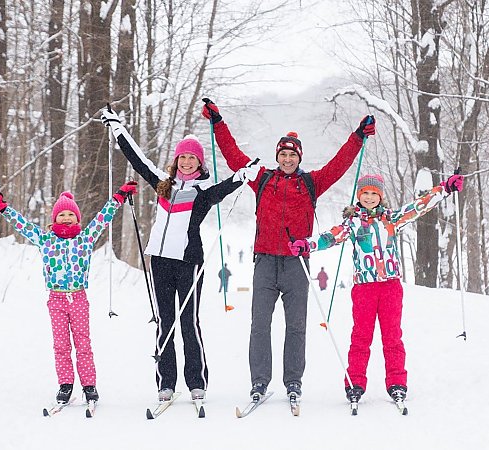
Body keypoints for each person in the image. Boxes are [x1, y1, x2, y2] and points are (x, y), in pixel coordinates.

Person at [202, 99, 376, 401]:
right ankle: (259, 381)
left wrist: (358, 136)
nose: (286, 159)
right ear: (277, 156)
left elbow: (339, 163)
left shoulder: (312, 183)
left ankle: (293, 381)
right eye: (282, 154)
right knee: (260, 325)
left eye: (291, 154)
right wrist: (218, 122)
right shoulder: (262, 178)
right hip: (266, 262)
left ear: (298, 157)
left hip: (297, 265)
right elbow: (233, 157)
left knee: (296, 327)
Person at [100, 108, 261, 403]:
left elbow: (225, 188)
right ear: (177, 161)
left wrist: (243, 176)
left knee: (189, 322)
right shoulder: (164, 183)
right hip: (160, 262)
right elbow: (139, 160)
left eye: (193, 158)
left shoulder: (202, 191)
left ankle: (196, 382)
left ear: (199, 163)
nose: (187, 162)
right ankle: (166, 383)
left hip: (189, 263)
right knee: (165, 322)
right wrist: (118, 130)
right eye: (183, 157)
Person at [289, 172, 464, 404]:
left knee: (392, 337)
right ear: (359, 195)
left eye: (374, 193)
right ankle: (356, 383)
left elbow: (418, 207)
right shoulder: (352, 223)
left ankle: (397, 383)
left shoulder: (391, 219)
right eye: (365, 193)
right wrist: (308, 245)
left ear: (380, 196)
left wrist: (445, 188)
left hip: (390, 287)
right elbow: (331, 237)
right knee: (361, 337)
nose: (369, 197)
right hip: (364, 289)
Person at [0, 180, 138, 406]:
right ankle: (65, 385)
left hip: (78, 298)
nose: (66, 218)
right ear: (54, 219)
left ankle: (89, 386)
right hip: (56, 299)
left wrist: (119, 197)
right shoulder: (45, 240)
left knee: (83, 344)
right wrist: (2, 206)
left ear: (77, 218)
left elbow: (102, 219)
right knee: (61, 345)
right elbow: (23, 226)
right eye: (61, 215)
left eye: (70, 214)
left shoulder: (85, 239)